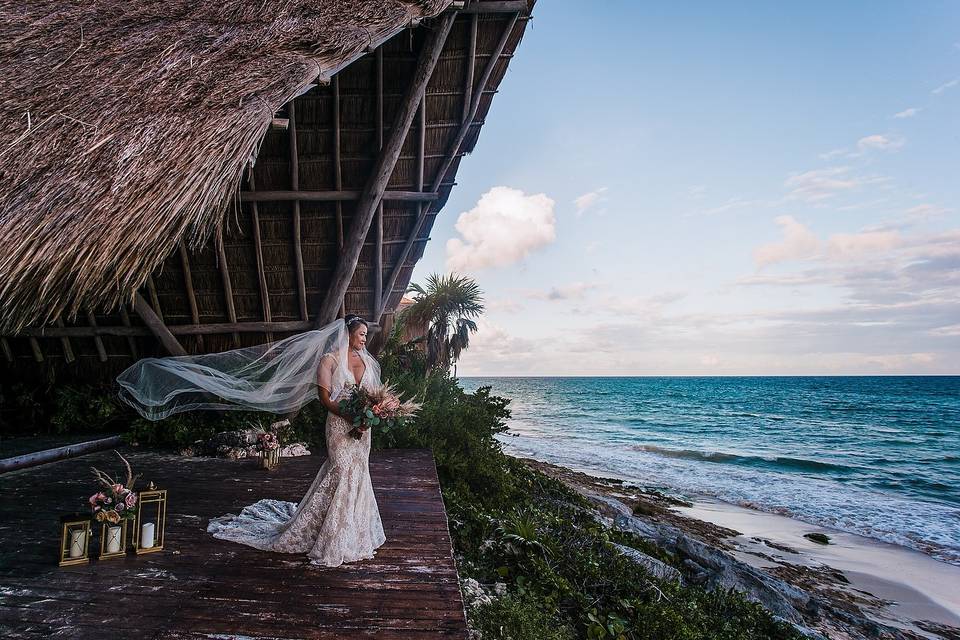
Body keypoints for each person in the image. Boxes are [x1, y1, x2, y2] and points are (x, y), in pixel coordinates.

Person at [117, 314, 386, 567]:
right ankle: (330, 532)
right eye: (361, 334)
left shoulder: (367, 360)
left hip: (363, 429)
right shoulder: (328, 360)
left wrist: (374, 412)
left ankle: (356, 530)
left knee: (359, 473)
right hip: (340, 425)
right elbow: (326, 399)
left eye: (365, 335)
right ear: (346, 334)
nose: (365, 339)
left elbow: (373, 394)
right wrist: (352, 415)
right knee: (339, 469)